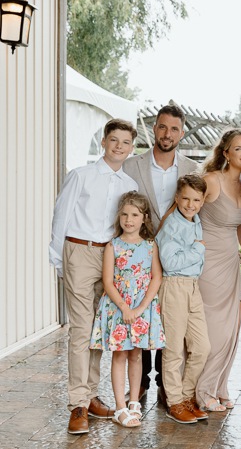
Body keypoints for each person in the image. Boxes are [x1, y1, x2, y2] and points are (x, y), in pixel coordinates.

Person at [49, 118, 138, 434]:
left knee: (99, 329)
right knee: (81, 328)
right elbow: (61, 216)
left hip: (111, 256)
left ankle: (90, 394)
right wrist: (59, 260)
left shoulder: (130, 186)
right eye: (114, 140)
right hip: (80, 251)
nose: (119, 146)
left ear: (130, 147)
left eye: (125, 142)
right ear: (104, 141)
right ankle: (77, 404)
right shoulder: (80, 176)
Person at [123, 104, 199, 404]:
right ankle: (139, 383)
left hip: (175, 257)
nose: (168, 134)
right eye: (163, 127)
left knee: (171, 321)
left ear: (182, 133)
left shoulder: (193, 169)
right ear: (154, 129)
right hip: (140, 253)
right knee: (140, 311)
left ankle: (168, 385)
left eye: (174, 129)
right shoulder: (132, 166)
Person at [89, 191, 165, 427]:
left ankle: (134, 402)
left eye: (134, 214)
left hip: (142, 307)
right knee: (120, 354)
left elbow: (156, 278)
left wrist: (142, 307)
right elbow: (108, 281)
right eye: (124, 214)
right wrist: (124, 307)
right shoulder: (114, 245)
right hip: (118, 307)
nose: (128, 219)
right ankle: (119, 406)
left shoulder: (151, 246)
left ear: (144, 218)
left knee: (137, 354)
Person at [196, 128, 241, 412]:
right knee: (214, 330)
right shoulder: (211, 181)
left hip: (231, 261)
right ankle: (203, 390)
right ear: (226, 153)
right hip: (208, 262)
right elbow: (182, 212)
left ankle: (220, 386)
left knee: (232, 326)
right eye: (239, 148)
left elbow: (238, 224)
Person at [155, 174, 211, 424]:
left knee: (202, 347)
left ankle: (186, 396)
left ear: (202, 201)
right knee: (174, 349)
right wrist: (198, 249)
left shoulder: (195, 219)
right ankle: (174, 402)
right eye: (186, 198)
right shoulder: (171, 225)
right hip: (174, 286)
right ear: (177, 198)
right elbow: (170, 262)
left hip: (192, 287)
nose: (190, 204)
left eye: (196, 200)